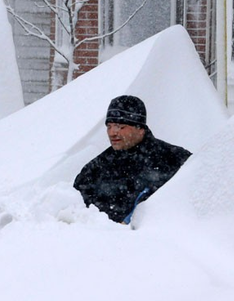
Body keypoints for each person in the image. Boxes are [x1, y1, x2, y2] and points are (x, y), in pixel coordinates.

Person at [73, 95, 191, 224]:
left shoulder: (174, 159)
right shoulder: (95, 169)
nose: (112, 133)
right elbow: (74, 211)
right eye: (109, 126)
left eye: (119, 126)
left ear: (140, 128)